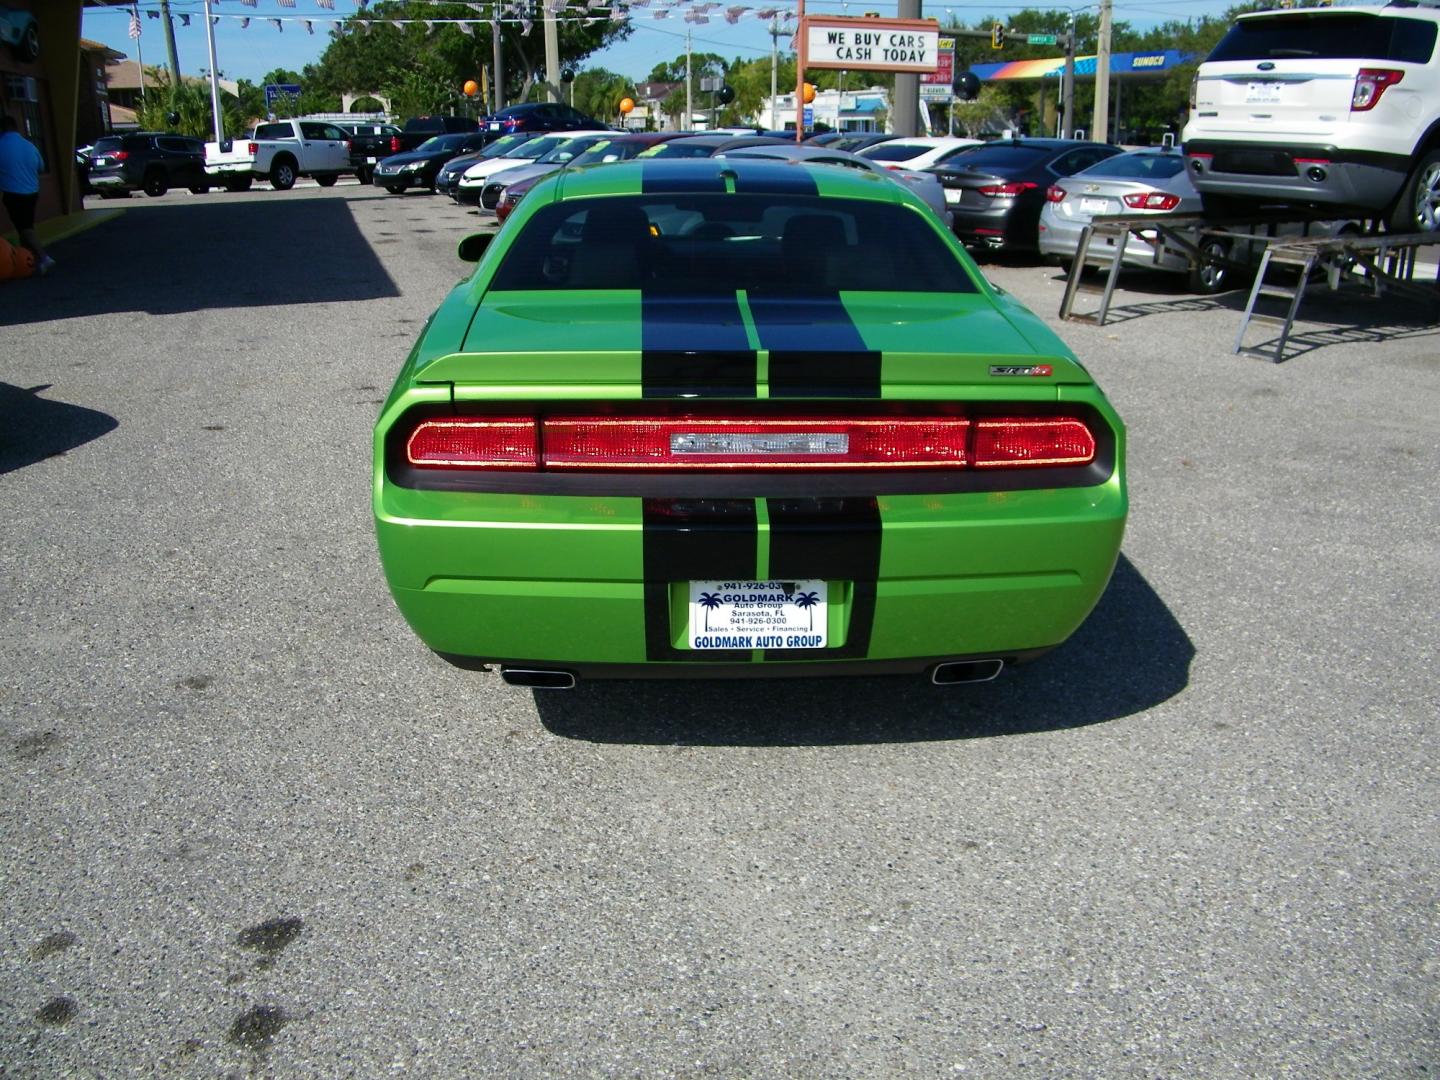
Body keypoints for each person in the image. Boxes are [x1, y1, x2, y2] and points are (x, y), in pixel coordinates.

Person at [0, 114, 53, 275]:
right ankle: (29, 262)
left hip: (13, 192)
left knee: (25, 229)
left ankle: (44, 257)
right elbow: (41, 166)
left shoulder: (1, 145)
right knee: (25, 227)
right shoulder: (29, 146)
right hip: (32, 192)